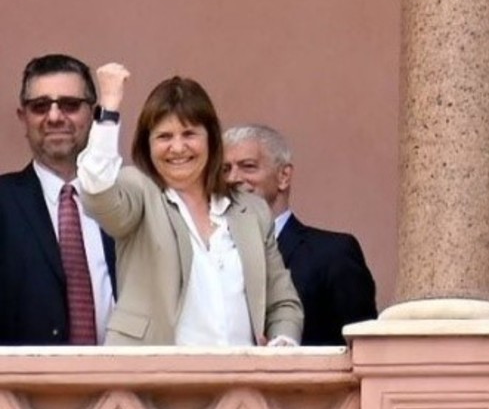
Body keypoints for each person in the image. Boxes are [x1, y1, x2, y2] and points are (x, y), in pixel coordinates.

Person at [77, 64, 303, 346]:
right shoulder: (139, 190)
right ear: (147, 145)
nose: (177, 147)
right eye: (164, 136)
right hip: (155, 371)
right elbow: (96, 189)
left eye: (189, 134)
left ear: (211, 139)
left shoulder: (251, 210)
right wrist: (108, 108)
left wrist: (283, 341)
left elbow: (282, 301)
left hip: (240, 371)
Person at [224, 124, 377, 346]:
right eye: (224, 169)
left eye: (248, 166)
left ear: (283, 176)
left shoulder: (333, 254)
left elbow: (361, 347)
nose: (232, 178)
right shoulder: (213, 249)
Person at [0, 54, 116, 345]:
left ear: (94, 114)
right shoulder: (4, 203)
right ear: (23, 118)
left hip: (124, 371)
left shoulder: (127, 201)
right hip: (21, 374)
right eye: (40, 106)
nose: (54, 117)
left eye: (69, 104)